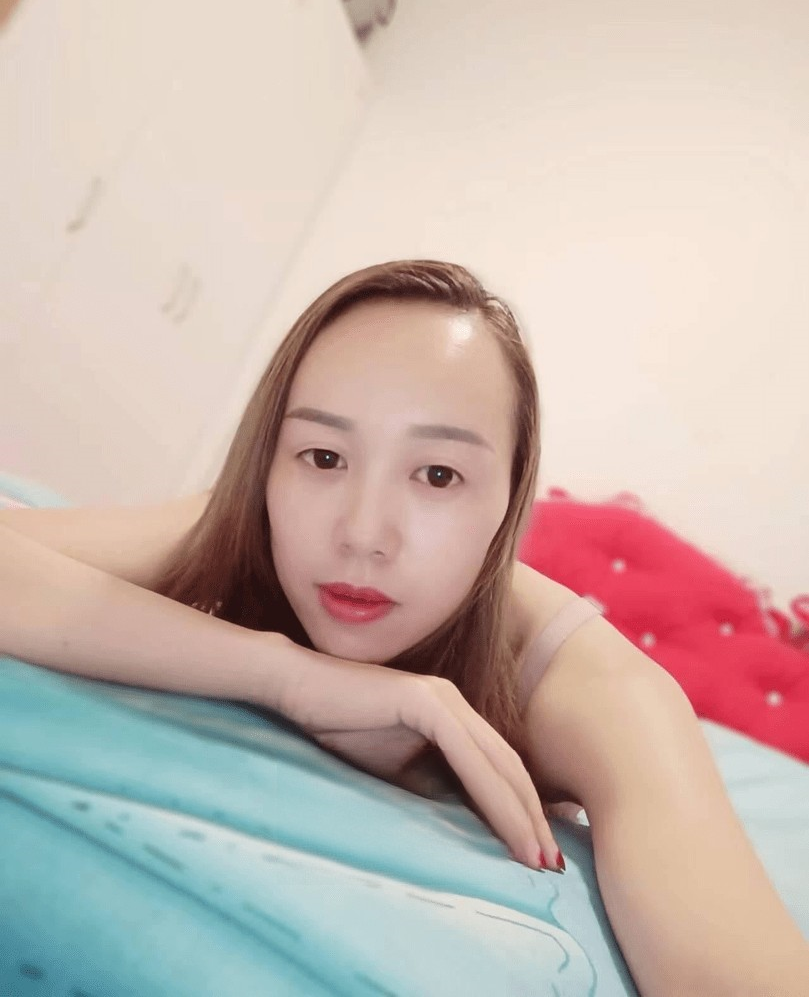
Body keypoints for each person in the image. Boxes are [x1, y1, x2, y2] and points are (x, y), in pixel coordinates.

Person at [1, 260, 807, 995]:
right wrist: (284, 672)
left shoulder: (602, 690)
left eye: (438, 474)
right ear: (268, 464)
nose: (363, 533)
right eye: (323, 457)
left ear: (508, 503)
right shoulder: (241, 527)